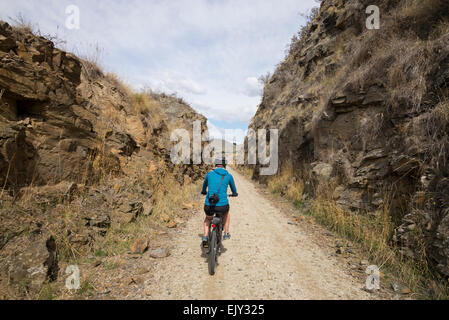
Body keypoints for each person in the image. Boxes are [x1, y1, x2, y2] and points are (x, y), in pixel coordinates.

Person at [201, 158, 238, 247]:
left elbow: (204, 186)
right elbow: (233, 189)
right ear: (224, 166)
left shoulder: (209, 174)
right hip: (222, 206)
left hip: (209, 205)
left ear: (215, 165)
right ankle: (226, 233)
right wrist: (234, 194)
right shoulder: (228, 176)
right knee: (226, 214)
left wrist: (203, 192)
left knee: (208, 219)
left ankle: (205, 236)